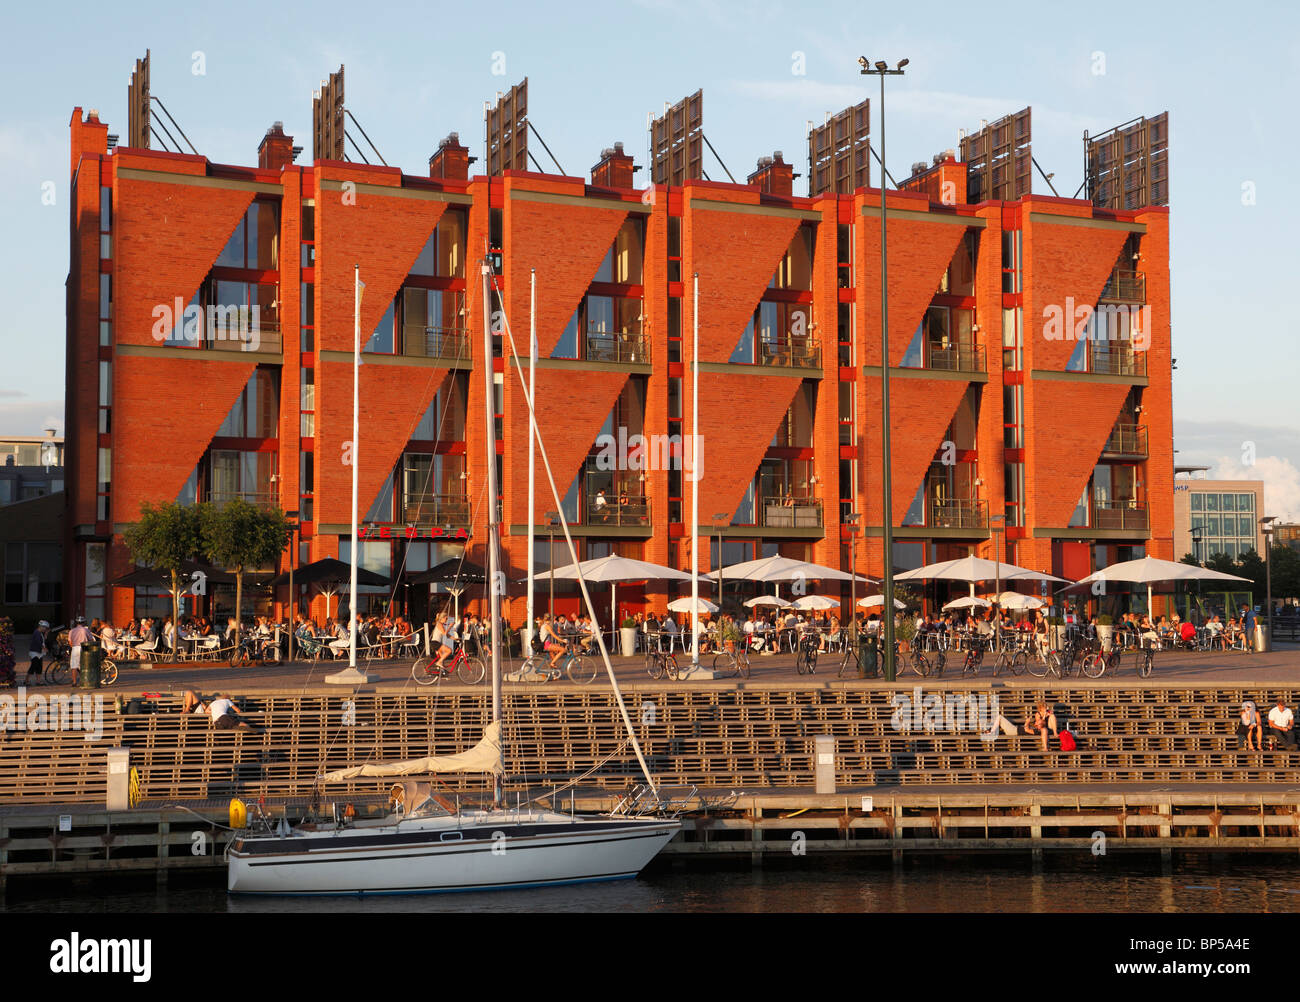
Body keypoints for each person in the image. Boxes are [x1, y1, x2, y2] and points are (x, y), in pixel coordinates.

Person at [26, 620, 50, 686]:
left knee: (39, 667)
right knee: (33, 666)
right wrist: (44, 648)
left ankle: (38, 681)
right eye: (45, 628)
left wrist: (46, 634)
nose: (45, 629)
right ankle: (26, 680)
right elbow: (38, 642)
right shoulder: (36, 632)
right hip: (35, 652)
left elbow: (43, 641)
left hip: (39, 653)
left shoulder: (40, 633)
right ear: (41, 627)